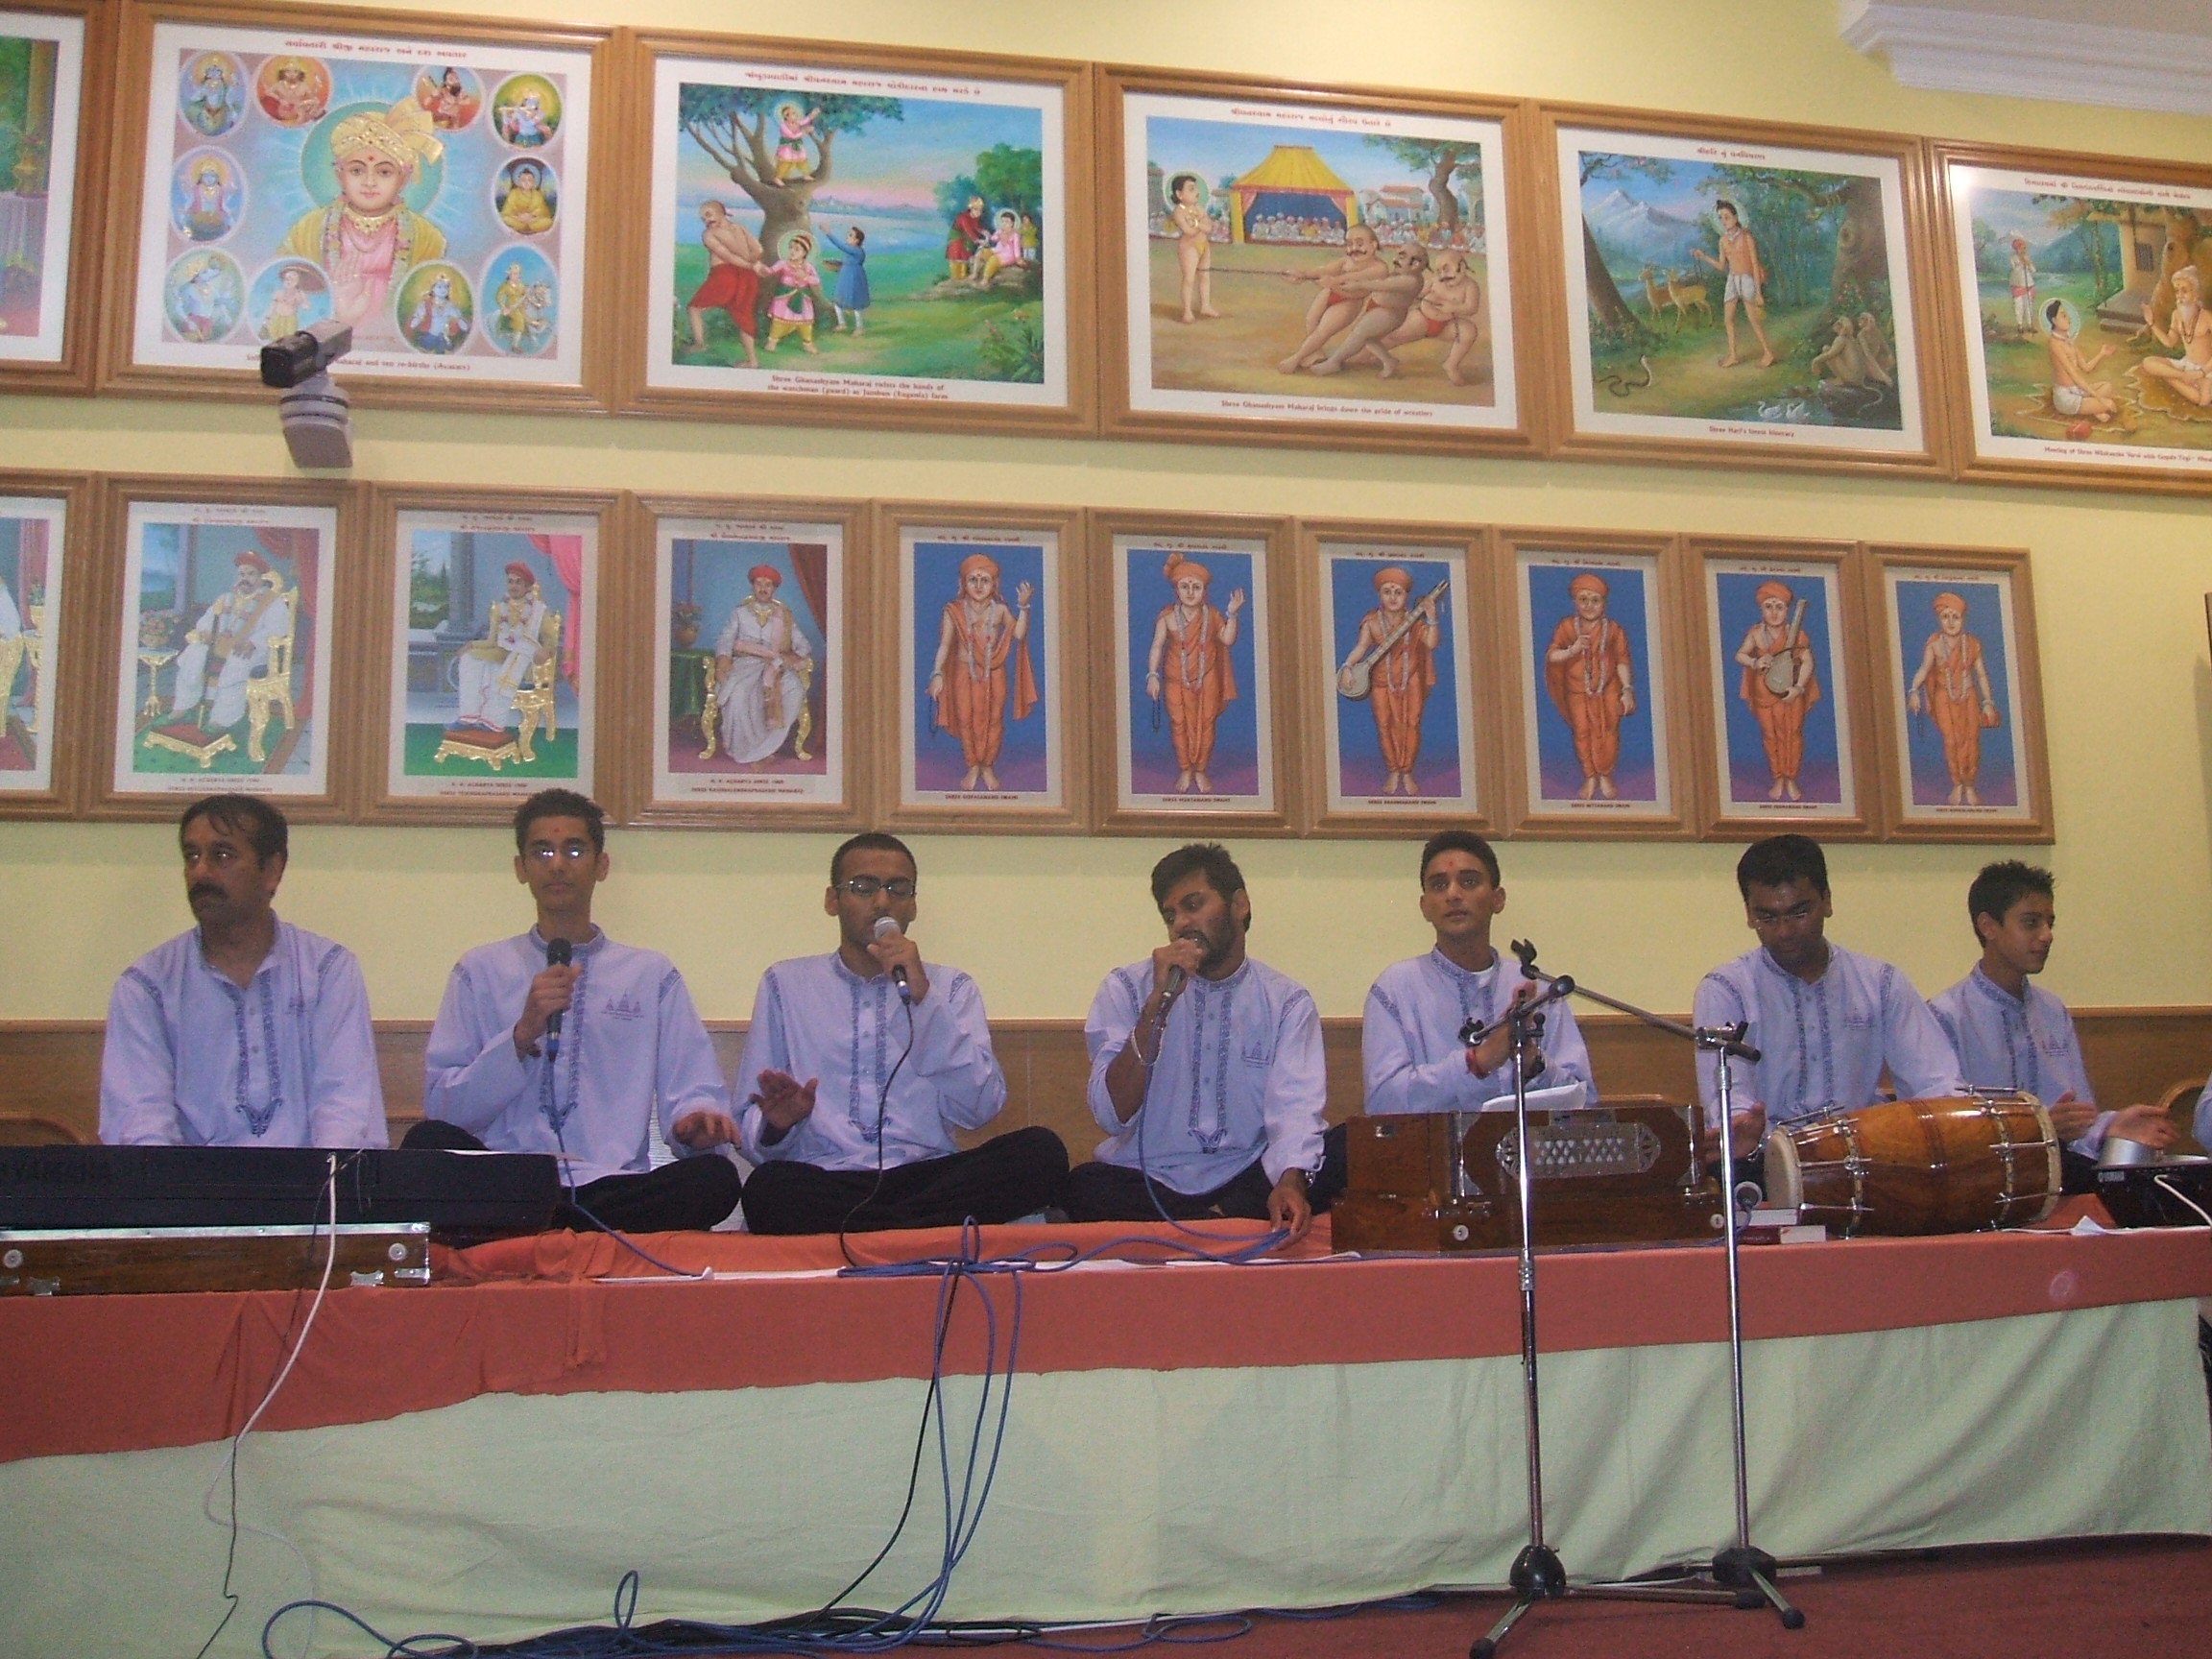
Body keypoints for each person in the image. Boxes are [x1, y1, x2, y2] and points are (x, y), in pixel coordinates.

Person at [414, 790, 741, 1233]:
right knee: (426, 1142)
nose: (557, 865)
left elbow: (692, 1089)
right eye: (541, 852)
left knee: (714, 1179)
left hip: (610, 1185)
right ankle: (554, 1219)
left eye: (573, 851)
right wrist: (521, 1036)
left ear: (601, 865)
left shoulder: (650, 974)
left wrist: (695, 1124)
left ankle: (547, 1223)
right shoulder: (479, 970)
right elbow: (444, 1107)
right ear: (521, 868)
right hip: (510, 1180)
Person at [734, 834, 1067, 1235]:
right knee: (768, 1189)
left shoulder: (951, 988)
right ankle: (924, 1234)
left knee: (1041, 1152)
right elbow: (750, 1130)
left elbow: (980, 1108)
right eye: (863, 887)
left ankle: (874, 1233)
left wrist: (924, 1000)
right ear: (832, 900)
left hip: (927, 1174)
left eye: (898, 889)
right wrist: (778, 1125)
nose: (882, 902)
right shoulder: (784, 985)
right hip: (829, 1177)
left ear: (912, 905)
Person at [1067, 845, 1326, 1241]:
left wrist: (1291, 1181)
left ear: (1239, 905)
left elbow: (1296, 1108)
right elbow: (1109, 1115)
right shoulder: (1127, 988)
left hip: (1246, 1174)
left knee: (1344, 1150)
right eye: (1170, 916)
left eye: (1193, 905)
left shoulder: (1286, 1002)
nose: (1181, 925)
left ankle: (1197, 1228)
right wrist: (1155, 1009)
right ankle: (1224, 1226)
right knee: (1084, 1187)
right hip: (1151, 1180)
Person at [101, 796, 385, 1148]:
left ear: (273, 870)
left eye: (222, 855)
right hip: (187, 1180)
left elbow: (345, 1110)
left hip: (313, 1178)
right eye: (191, 856)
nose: (200, 872)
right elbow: (141, 1123)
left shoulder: (327, 971)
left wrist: (321, 1181)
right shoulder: (148, 987)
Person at [1694, 835, 1965, 1160]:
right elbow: (1731, 1102)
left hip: (1866, 1162)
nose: (1783, 931)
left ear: (1827, 901)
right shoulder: (1726, 989)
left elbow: (1936, 1083)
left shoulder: (1881, 984)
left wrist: (1950, 1123)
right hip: (1765, 1164)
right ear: (1749, 915)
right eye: (1767, 917)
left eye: (1799, 913)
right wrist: (1743, 1128)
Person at [1929, 861, 2174, 1184]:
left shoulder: (2052, 1011)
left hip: (2061, 1175)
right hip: (1981, 1185)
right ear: (1988, 926)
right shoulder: (1945, 1016)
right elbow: (1946, 1135)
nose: (2046, 935)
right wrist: (2039, 1128)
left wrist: (2110, 1126)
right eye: (2031, 923)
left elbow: (2079, 1122)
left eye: (2049, 923)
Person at [1363, 832, 1595, 1117]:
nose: (1453, 895)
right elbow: (1383, 1104)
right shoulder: (1394, 989)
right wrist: (1477, 1062)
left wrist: (1533, 1063)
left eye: (1469, 882)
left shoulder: (1541, 992)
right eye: (1439, 885)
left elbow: (1585, 1103)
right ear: (1425, 906)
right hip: (1434, 1145)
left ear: (1498, 899)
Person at [280, 98, 445, 340]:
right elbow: (288, 284)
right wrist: (338, 305)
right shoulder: (309, 229)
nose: (369, 182)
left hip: (392, 343)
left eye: (384, 172)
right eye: (357, 170)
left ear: (402, 179)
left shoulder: (426, 237)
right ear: (339, 175)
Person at [926, 552, 1035, 792]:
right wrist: (937, 673)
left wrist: (1023, 606)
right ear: (963, 583)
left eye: (984, 580)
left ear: (994, 584)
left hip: (994, 673)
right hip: (963, 673)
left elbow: (1018, 634)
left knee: (994, 720)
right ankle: (972, 766)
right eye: (972, 580)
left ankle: (987, 766)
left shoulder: (1000, 610)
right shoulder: (953, 610)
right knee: (965, 719)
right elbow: (944, 645)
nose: (978, 586)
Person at [1144, 552, 1241, 795]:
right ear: (1176, 590)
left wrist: (1232, 614)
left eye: (1196, 587)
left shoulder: (1212, 615)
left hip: (1207, 677)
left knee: (1206, 723)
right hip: (1175, 679)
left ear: (1204, 591)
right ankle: (1185, 769)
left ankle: (1200, 770)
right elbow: (1156, 646)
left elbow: (1227, 639)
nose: (1190, 592)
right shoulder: (1167, 617)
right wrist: (1152, 675)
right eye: (1184, 586)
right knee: (1178, 723)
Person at [1337, 565, 1439, 796]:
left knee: (1412, 723)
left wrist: (1431, 618)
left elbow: (1431, 643)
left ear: (1406, 596)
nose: (1393, 597)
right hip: (1381, 681)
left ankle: (1407, 771)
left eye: (1398, 592)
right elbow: (1361, 647)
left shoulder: (1415, 620)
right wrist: (1347, 666)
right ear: (1379, 595)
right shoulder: (1372, 622)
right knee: (1384, 725)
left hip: (1410, 679)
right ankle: (1393, 770)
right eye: (1387, 592)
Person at [169, 552, 289, 734]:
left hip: (253, 650)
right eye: (242, 574)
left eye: (251, 574)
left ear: (260, 577)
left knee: (236, 661)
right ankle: (183, 706)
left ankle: (221, 720)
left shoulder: (272, 600)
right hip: (220, 644)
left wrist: (253, 642)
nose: (245, 578)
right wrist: (205, 631)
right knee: (194, 653)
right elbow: (208, 620)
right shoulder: (226, 598)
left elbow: (277, 629)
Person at [1544, 572, 1635, 801]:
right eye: (1583, 599)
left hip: (1608, 689)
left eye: (1595, 600)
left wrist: (1626, 690)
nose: (1589, 605)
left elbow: (1622, 661)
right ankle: (1589, 776)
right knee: (1582, 732)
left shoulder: (1613, 630)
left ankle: (1605, 775)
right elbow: (1552, 656)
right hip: (1577, 691)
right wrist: (1572, 650)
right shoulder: (1567, 627)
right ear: (1575, 602)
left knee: (1608, 731)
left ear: (1604, 603)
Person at [709, 564, 810, 764]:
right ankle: (744, 748)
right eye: (759, 584)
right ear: (753, 586)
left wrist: (789, 659)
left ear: (774, 589)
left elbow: (803, 645)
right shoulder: (739, 613)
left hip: (775, 666)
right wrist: (723, 657)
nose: (763, 589)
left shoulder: (785, 616)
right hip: (746, 663)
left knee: (795, 689)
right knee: (738, 694)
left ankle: (767, 747)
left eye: (768, 585)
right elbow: (725, 638)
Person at [1905, 590, 1997, 806]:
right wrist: (1913, 691)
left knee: (1971, 741)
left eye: (1955, 617)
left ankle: (1970, 785)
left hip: (1968, 696)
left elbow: (1981, 675)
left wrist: (1988, 703)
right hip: (1944, 698)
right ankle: (1957, 784)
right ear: (1939, 619)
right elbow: (1924, 669)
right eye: (1945, 617)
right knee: (1951, 741)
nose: (1951, 622)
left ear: (1963, 619)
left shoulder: (1972, 644)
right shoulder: (1935, 644)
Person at [1734, 579, 1816, 802]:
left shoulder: (1796, 634)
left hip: (1789, 692)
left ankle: (1791, 778)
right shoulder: (1755, 633)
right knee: (1770, 735)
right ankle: (1778, 777)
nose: (1774, 612)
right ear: (1761, 609)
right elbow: (1740, 655)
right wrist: (1754, 662)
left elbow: (1807, 661)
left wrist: (1798, 687)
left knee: (1792, 734)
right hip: (1764, 692)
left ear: (1787, 610)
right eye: (1768, 606)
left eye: (1779, 607)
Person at [453, 562, 554, 733]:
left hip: (526, 657)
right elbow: (492, 642)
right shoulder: (500, 609)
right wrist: (471, 645)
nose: (513, 586)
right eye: (510, 581)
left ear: (527, 587)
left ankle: (492, 723)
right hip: (501, 652)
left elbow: (550, 639)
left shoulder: (539, 610)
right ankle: (468, 717)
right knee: (469, 659)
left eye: (518, 582)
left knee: (508, 668)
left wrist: (546, 651)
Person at [1276, 222, 1386, 373]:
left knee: (1324, 330)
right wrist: (1303, 274)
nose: (1354, 249)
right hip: (1330, 292)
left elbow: (1353, 278)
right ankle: (1315, 353)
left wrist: (1332, 282)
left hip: (1350, 301)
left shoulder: (1379, 268)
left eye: (1360, 244)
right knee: (1311, 320)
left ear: (1373, 245)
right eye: (1349, 244)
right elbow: (1325, 270)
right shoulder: (1346, 261)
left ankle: (1296, 358)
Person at [1689, 199, 1776, 370]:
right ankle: (1733, 355)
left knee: (1753, 318)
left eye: (1727, 217)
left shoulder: (1747, 237)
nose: (1724, 221)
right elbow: (1722, 266)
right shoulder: (1723, 240)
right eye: (1721, 218)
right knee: (1728, 319)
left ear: (1736, 218)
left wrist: (1758, 293)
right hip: (1732, 279)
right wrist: (1703, 256)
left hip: (1747, 279)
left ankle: (1768, 353)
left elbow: (1754, 264)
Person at [685, 201, 769, 368]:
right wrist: (754, 264)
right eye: (703, 219)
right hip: (747, 276)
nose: (706, 221)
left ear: (721, 212)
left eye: (708, 215)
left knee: (694, 308)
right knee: (744, 315)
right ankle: (752, 361)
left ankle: (700, 344)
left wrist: (753, 264)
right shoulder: (739, 228)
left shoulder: (709, 234)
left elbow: (730, 257)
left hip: (725, 276)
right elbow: (757, 250)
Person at [2137, 265, 2212, 408]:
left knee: (2202, 401)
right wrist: (2151, 323)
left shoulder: (2207, 317)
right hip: (2186, 365)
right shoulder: (2177, 315)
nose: (2180, 295)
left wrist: (2202, 372)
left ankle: (2172, 377)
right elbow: (2170, 342)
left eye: (2184, 291)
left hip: (2207, 368)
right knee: (2148, 362)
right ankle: (2181, 377)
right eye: (2177, 291)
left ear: (2195, 293)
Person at [2042, 299, 2117, 425]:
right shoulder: (2054, 344)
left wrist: (2102, 354)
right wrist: (2100, 399)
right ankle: (2095, 409)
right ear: (2054, 320)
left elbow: (2086, 367)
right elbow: (2074, 376)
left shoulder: (2069, 341)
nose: (2068, 319)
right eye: (2064, 316)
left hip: (2078, 391)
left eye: (2067, 315)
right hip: (2066, 397)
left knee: (2108, 386)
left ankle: (2094, 409)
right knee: (2109, 404)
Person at [1167, 173, 1219, 324]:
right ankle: (1187, 311)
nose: (1196, 192)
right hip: (1189, 247)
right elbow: (1188, 231)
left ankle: (1205, 306)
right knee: (1189, 279)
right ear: (1179, 194)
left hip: (1204, 246)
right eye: (1191, 189)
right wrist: (1199, 224)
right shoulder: (1179, 212)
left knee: (1204, 276)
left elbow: (1209, 227)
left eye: (1195, 188)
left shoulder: (1199, 209)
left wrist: (1196, 223)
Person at [762, 231, 823, 355]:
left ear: (804, 253)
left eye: (797, 249)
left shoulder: (808, 267)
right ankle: (772, 341)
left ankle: (808, 344)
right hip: (784, 297)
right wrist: (762, 269)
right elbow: (771, 271)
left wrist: (805, 277)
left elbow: (816, 280)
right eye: (790, 248)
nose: (792, 252)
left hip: (802, 297)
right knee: (779, 321)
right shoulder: (783, 263)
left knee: (805, 323)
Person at [823, 224, 870, 332]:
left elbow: (841, 246)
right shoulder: (851, 250)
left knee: (856, 304)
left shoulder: (857, 251)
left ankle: (859, 328)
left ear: (857, 240)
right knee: (838, 302)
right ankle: (842, 324)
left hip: (854, 280)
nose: (847, 237)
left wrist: (828, 233)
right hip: (844, 279)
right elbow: (847, 262)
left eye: (850, 235)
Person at [498, 162, 554, 236]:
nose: (526, 183)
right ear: (519, 181)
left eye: (529, 180)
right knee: (505, 219)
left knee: (548, 221)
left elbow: (542, 211)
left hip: (533, 221)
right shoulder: (513, 193)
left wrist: (532, 216)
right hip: (517, 220)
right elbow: (508, 210)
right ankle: (523, 227)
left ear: (533, 182)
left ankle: (526, 227)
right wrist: (518, 217)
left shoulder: (537, 194)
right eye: (523, 180)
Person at [773, 104, 819, 180]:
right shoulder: (783, 125)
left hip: (797, 146)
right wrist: (805, 131)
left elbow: (805, 121)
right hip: (787, 148)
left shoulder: (796, 123)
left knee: (802, 161)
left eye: (794, 113)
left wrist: (813, 114)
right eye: (793, 113)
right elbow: (792, 136)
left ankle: (806, 175)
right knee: (785, 163)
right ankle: (778, 178)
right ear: (786, 116)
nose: (795, 114)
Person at [947, 194, 987, 281]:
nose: (979, 213)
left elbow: (976, 227)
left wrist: (983, 231)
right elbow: (968, 230)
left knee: (964, 258)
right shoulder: (963, 217)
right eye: (977, 210)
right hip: (957, 240)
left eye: (980, 211)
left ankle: (963, 277)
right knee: (956, 258)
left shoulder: (975, 218)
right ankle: (955, 278)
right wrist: (977, 240)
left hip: (966, 241)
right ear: (972, 209)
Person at [2008, 234, 2037, 330]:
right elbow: (2014, 270)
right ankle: (2019, 325)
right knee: (2019, 305)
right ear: (2017, 248)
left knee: (2028, 305)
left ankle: (2030, 325)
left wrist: (2028, 263)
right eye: (2022, 248)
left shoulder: (2026, 257)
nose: (2024, 250)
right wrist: (2021, 264)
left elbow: (2033, 270)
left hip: (2028, 284)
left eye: (2024, 248)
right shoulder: (2013, 258)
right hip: (2017, 284)